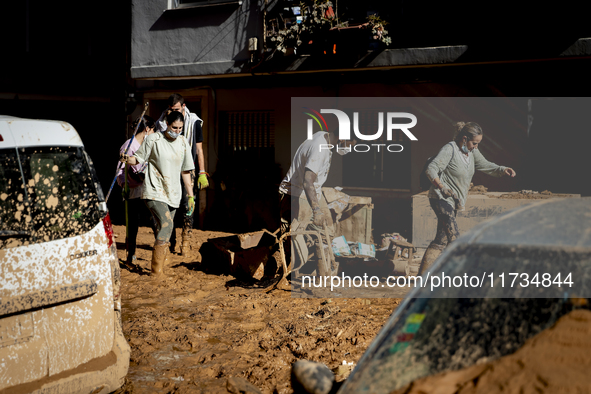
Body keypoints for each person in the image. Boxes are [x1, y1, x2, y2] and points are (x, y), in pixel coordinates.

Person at [419, 121, 516, 275]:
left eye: (478, 144)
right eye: (474, 143)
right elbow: (431, 169)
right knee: (456, 240)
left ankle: (422, 277)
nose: (476, 147)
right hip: (440, 198)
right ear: (464, 138)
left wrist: (502, 169)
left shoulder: (471, 153)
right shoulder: (449, 149)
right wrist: (441, 187)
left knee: (441, 240)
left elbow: (485, 164)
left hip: (453, 200)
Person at [119, 111, 196, 276]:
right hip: (153, 190)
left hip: (173, 193)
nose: (177, 131)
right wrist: (127, 158)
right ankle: (156, 272)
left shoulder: (183, 143)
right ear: (167, 124)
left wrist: (190, 195)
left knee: (165, 229)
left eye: (180, 128)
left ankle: (161, 263)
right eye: (174, 127)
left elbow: (185, 171)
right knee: (167, 225)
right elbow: (137, 159)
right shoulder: (153, 139)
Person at [278, 129, 355, 273]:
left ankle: (320, 268)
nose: (348, 150)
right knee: (296, 235)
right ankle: (292, 271)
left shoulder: (324, 135)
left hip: (312, 192)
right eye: (348, 146)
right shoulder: (320, 150)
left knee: (327, 231)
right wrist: (316, 210)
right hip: (297, 193)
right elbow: (308, 182)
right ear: (342, 138)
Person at [156, 93, 207, 255]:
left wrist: (202, 172)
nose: (172, 112)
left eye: (176, 109)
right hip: (168, 168)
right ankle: (171, 241)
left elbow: (199, 149)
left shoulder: (194, 122)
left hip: (188, 167)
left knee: (188, 204)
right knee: (169, 204)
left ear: (183, 107)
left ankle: (186, 239)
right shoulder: (163, 121)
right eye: (170, 110)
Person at [116, 115, 156, 267]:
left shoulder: (148, 143)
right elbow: (120, 170)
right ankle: (130, 254)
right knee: (132, 224)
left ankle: (160, 251)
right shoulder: (128, 146)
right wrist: (123, 184)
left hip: (147, 189)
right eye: (153, 130)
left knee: (153, 220)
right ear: (147, 129)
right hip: (132, 190)